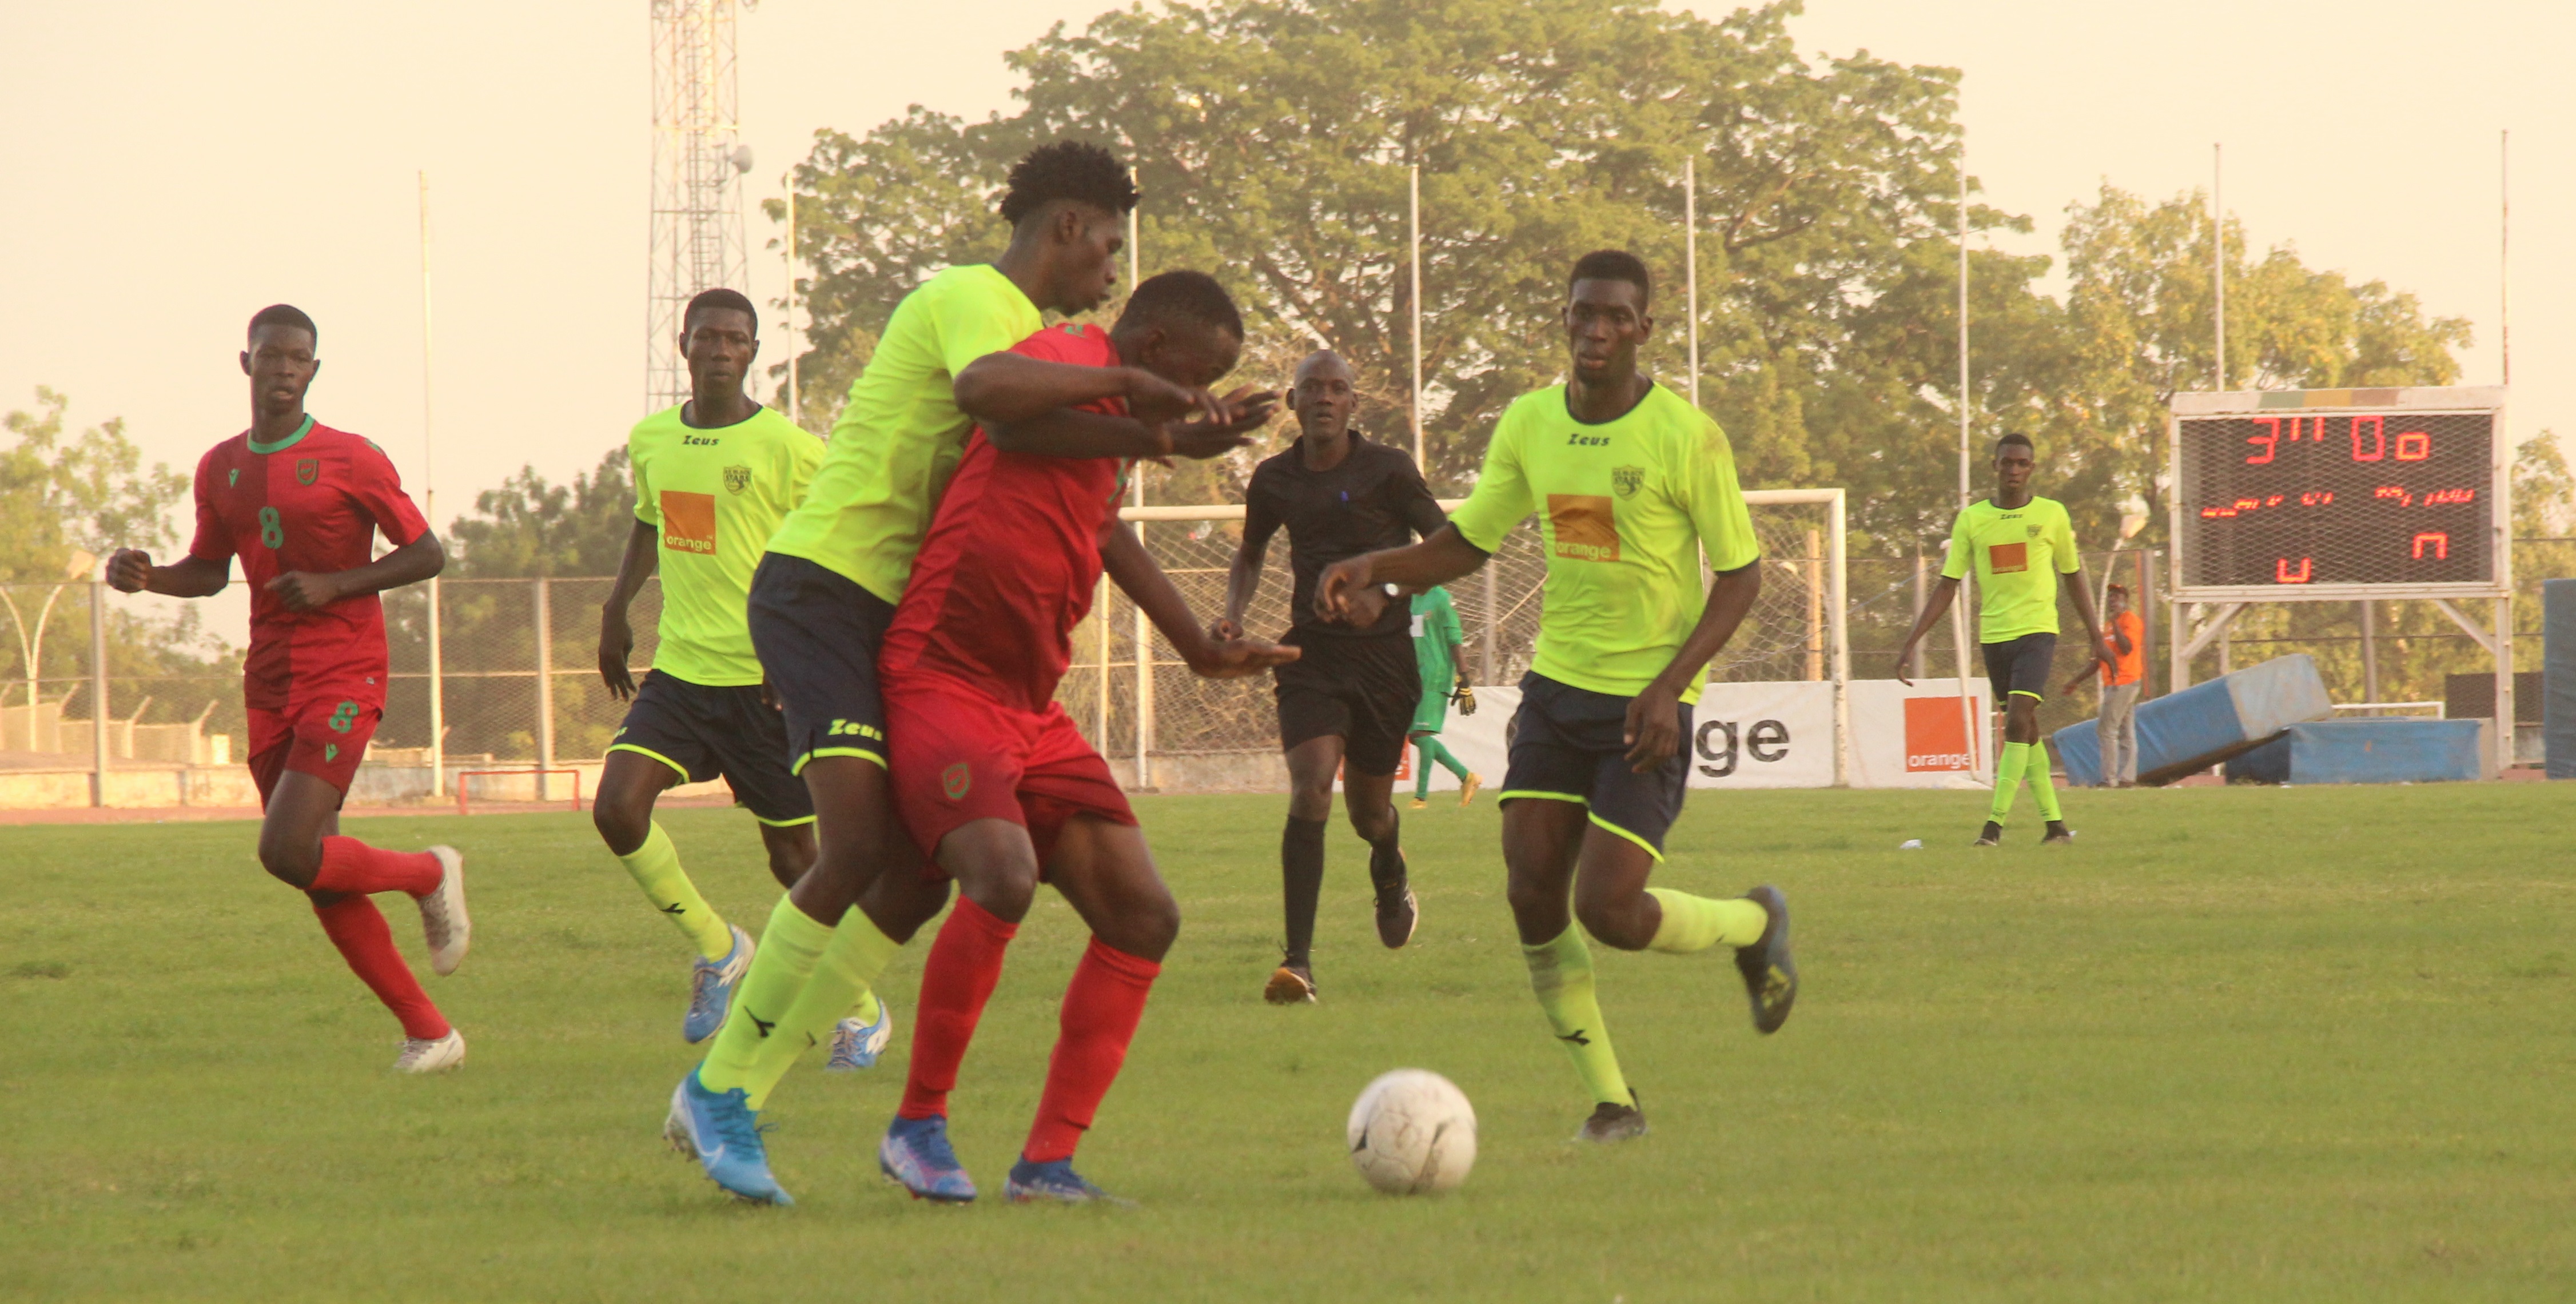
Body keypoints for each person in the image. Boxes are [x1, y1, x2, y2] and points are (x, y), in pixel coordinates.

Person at [664, 141, 1257, 1206]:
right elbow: (991, 399)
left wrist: (1191, 607)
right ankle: (725, 1090)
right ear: (1067, 226)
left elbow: (1081, 487)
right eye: (1107, 245)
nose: (1110, 271)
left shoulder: (1047, 350)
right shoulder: (985, 305)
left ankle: (779, 1096)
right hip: (828, 584)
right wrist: (1140, 395)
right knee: (862, 850)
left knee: (912, 872)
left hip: (907, 620)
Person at [1316, 251, 1797, 1143]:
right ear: (1565, 319)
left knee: (1608, 911)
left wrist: (1669, 687)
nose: (1596, 330)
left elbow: (1740, 576)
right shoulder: (1531, 422)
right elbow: (1468, 542)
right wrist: (1375, 566)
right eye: (1583, 313)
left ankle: (1751, 922)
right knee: (1531, 891)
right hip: (1557, 689)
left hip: (1645, 705)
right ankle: (1613, 1102)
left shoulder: (1686, 435)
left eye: (1615, 316)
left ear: (1644, 328)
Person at [875, 271, 1291, 1205]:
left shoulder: (1112, 434)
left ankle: (1046, 1165)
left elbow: (1103, 531)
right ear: (1153, 352)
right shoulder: (1074, 353)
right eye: (1198, 378)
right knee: (1002, 877)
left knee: (1145, 916)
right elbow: (987, 395)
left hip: (1029, 706)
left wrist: (1198, 647)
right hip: (944, 677)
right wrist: (1147, 408)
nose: (1200, 400)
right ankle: (916, 1125)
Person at [106, 304, 469, 1072]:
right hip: (270, 677)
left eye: (296, 358)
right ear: (247, 363)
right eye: (270, 355)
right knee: (316, 868)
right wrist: (149, 578)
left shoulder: (352, 456)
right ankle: (430, 1033)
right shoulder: (220, 467)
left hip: (345, 667)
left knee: (286, 849)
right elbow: (209, 572)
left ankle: (428, 872)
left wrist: (339, 583)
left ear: (314, 370)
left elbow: (427, 552)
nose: (282, 369)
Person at [592, 289, 849, 1047]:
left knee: (795, 859)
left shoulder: (788, 448)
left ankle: (858, 1009)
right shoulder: (652, 440)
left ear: (752, 352)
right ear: (684, 345)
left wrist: (798, 647)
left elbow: (834, 546)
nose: (720, 350)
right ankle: (718, 946)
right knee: (617, 809)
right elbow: (652, 524)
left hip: (762, 684)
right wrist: (616, 608)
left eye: (735, 339)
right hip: (681, 673)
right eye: (707, 337)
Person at [1214, 350, 1447, 1006]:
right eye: (1310, 388)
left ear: (1352, 404)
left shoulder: (1388, 469)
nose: (1323, 397)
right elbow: (1250, 553)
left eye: (1336, 388)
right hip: (1309, 656)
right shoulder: (1273, 479)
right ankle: (1297, 963)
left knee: (1368, 816)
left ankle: (1389, 865)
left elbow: (1447, 547)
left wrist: (1387, 587)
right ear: (1292, 403)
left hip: (1384, 662)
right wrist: (1232, 615)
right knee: (1311, 785)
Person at [1896, 433, 2114, 845]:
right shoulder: (1972, 519)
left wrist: (2095, 636)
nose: (2014, 470)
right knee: (2026, 729)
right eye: (2007, 462)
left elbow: (2072, 575)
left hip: (2037, 631)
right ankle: (2055, 826)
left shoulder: (2051, 514)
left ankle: (1993, 827)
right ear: (1994, 466)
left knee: (2015, 720)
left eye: (2021, 463)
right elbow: (1947, 584)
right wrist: (1912, 640)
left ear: (2032, 468)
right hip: (1994, 636)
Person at [1406, 584, 1480, 810]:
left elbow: (1455, 639)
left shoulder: (1441, 599)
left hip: (1435, 675)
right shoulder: (1410, 599)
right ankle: (1467, 777)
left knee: (1421, 734)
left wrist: (1464, 677)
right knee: (1415, 736)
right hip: (1415, 675)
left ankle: (1421, 798)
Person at [2065, 583, 2143, 786]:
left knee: (2106, 729)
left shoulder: (2131, 621)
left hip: (2125, 681)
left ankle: (2110, 779)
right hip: (2114, 682)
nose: (2113, 599)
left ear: (2126, 600)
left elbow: (2126, 648)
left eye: (2117, 596)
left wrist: (2116, 623)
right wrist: (2076, 681)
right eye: (2111, 596)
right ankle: (2127, 778)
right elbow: (2099, 660)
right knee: (2125, 731)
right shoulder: (2108, 626)